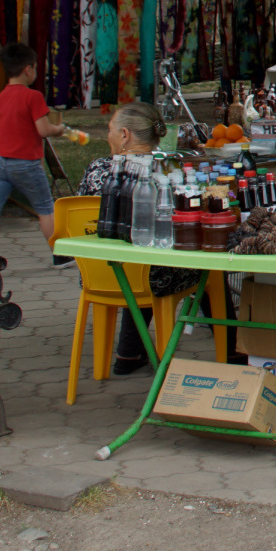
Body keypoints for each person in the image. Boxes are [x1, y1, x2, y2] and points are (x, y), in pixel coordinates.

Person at [79, 102, 209, 375]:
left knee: (136, 254)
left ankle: (129, 352)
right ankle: (234, 350)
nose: (108, 136)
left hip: (100, 273)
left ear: (124, 134)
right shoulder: (167, 175)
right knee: (208, 263)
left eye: (110, 129)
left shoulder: (97, 170)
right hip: (152, 276)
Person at [0, 42, 71, 258]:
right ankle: (60, 256)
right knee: (46, 209)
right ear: (28, 69)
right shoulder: (33, 96)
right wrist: (59, 129)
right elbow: (43, 130)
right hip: (25, 163)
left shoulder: (2, 95)